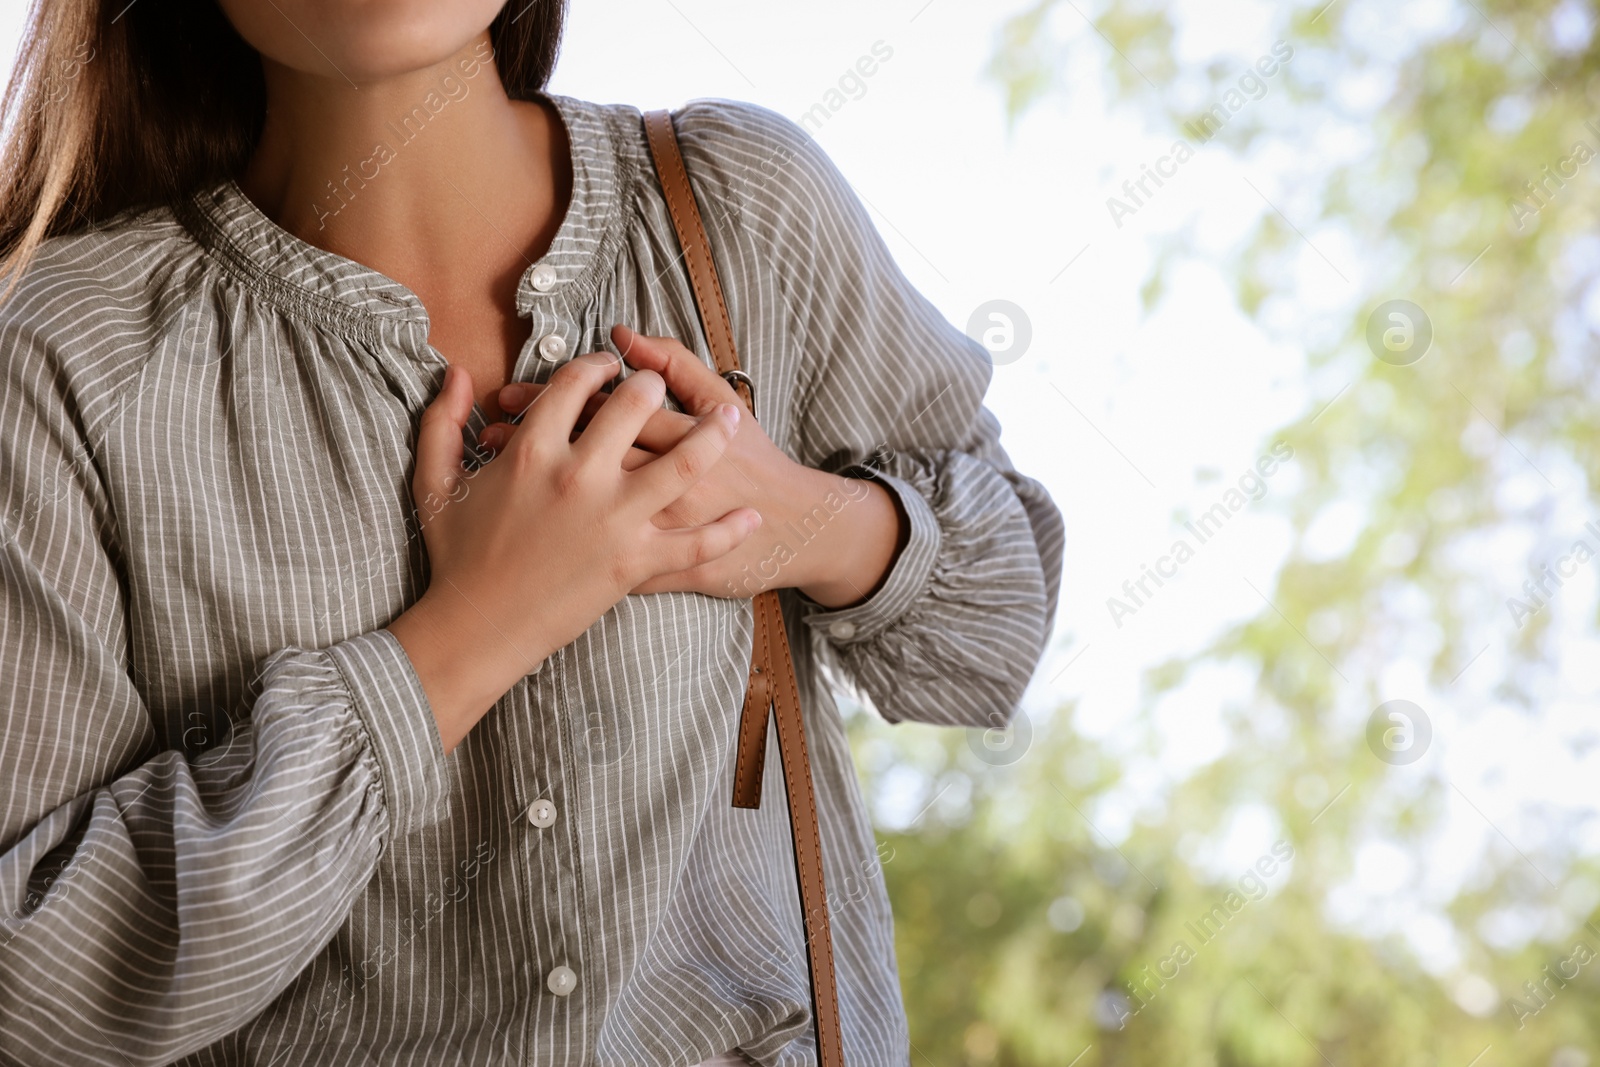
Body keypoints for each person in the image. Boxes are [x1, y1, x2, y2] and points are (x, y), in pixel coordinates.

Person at [0, 1, 1064, 1064]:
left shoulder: (740, 205)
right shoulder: (59, 354)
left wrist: (804, 520)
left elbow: (993, 639)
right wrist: (467, 634)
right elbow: (31, 997)